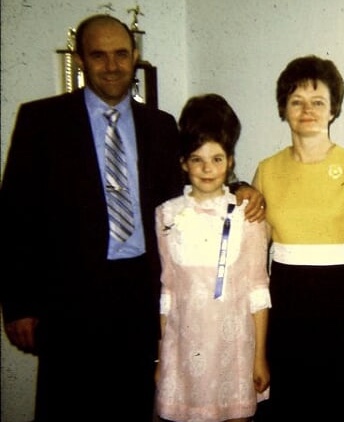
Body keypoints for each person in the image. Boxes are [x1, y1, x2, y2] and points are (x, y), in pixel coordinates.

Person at [0, 14, 265, 422]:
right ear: (80, 59)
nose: (111, 65)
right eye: (99, 55)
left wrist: (242, 186)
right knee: (67, 406)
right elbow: (15, 215)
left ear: (135, 57)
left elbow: (198, 175)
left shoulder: (158, 126)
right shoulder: (42, 121)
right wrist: (19, 304)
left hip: (140, 295)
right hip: (70, 299)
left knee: (134, 407)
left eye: (121, 54)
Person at [252, 55, 344, 422]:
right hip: (288, 312)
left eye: (317, 101)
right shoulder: (266, 170)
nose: (306, 109)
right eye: (296, 101)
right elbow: (253, 256)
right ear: (284, 109)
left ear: (333, 109)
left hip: (343, 310)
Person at [154, 93, 271, 422]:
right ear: (183, 162)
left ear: (230, 161)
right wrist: (162, 356)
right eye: (197, 159)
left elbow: (258, 292)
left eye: (217, 159)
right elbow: (168, 291)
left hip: (234, 352)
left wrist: (259, 356)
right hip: (184, 352)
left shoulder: (246, 216)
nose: (207, 169)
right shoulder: (166, 215)